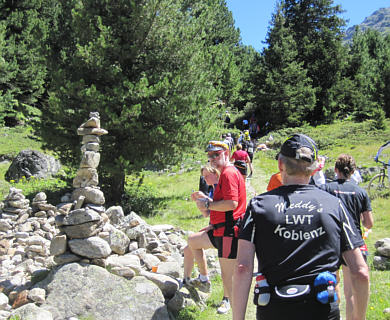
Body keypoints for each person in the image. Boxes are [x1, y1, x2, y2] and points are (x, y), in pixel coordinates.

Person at [232, 134, 369, 320]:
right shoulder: (334, 205)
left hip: (274, 309)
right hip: (321, 310)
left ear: (280, 165)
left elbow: (243, 267)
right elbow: (360, 272)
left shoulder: (258, 206)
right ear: (314, 168)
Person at [187, 141, 247, 314]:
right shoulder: (226, 173)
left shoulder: (228, 173)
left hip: (229, 231)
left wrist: (206, 204)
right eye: (210, 156)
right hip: (219, 229)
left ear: (226, 153)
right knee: (192, 241)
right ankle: (204, 279)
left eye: (216, 154)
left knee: (228, 276)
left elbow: (231, 203)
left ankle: (231, 306)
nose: (212, 159)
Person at [320, 154, 373, 320]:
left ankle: (335, 315)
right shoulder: (360, 192)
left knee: (332, 282)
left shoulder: (326, 189)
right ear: (353, 171)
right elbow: (368, 223)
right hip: (353, 242)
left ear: (336, 170)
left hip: (331, 241)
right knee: (350, 290)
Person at [183, 166, 220, 295]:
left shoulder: (220, 187)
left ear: (215, 173)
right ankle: (186, 280)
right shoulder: (211, 189)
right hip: (213, 225)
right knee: (188, 249)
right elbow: (207, 214)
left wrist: (205, 198)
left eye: (207, 175)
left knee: (192, 241)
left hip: (221, 229)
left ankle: (204, 280)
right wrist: (199, 203)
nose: (205, 179)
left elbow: (223, 207)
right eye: (203, 177)